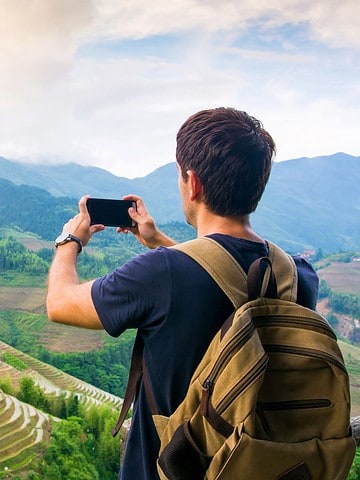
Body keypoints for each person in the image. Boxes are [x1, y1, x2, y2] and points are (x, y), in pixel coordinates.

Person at [46, 107, 319, 480]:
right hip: (261, 466)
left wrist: (70, 239)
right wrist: (157, 241)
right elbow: (228, 281)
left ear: (192, 183)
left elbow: (59, 304)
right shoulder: (296, 276)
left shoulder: (161, 275)